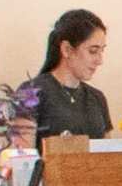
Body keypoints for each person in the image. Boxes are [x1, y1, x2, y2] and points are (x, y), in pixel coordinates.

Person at [26, 9, 113, 141]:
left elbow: (108, 157)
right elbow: (22, 158)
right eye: (93, 51)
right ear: (67, 49)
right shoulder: (31, 93)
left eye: (102, 51)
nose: (100, 60)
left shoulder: (97, 98)